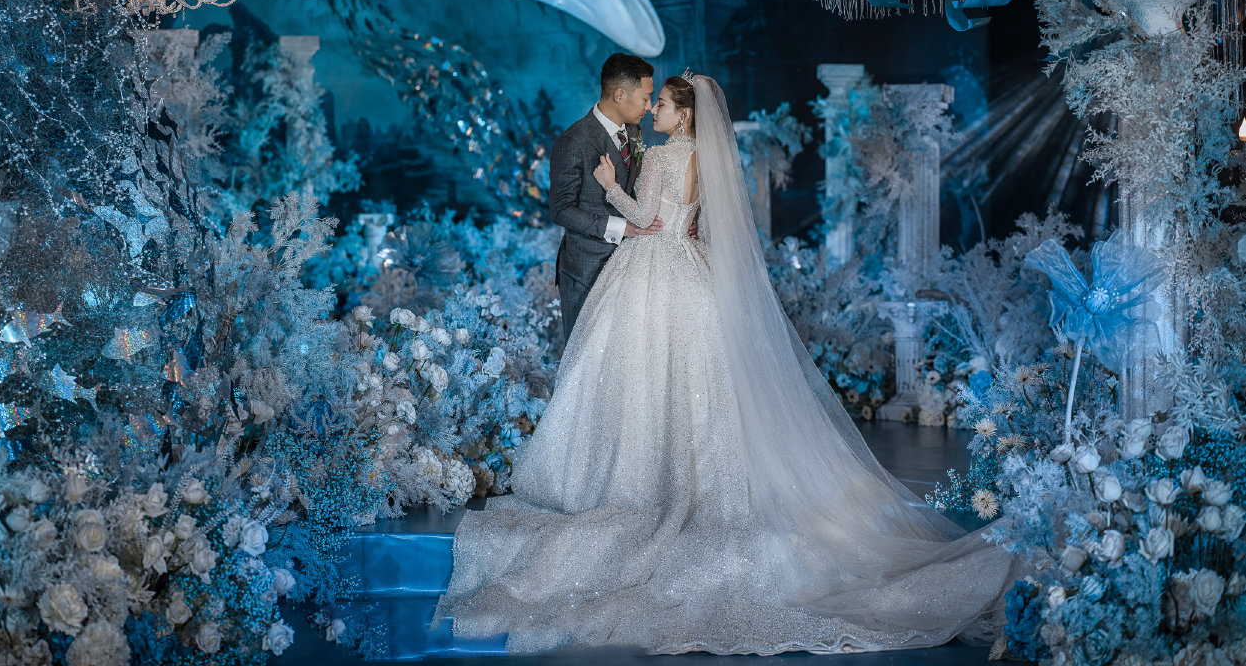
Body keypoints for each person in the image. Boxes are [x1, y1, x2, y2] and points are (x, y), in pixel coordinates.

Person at [434, 72, 1021, 655]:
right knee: (700, 381)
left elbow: (646, 217)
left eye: (662, 105)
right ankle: (693, 477)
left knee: (639, 378)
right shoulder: (703, 158)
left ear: (683, 115)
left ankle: (642, 481)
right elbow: (692, 220)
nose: (654, 111)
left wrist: (612, 185)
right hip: (693, 271)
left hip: (651, 269)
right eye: (652, 102)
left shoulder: (662, 155)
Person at [547, 52, 662, 343]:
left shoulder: (633, 131)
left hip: (630, 266)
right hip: (587, 270)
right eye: (646, 98)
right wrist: (622, 228)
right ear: (620, 95)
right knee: (585, 357)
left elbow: (637, 190)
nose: (649, 107)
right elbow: (561, 209)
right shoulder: (573, 141)